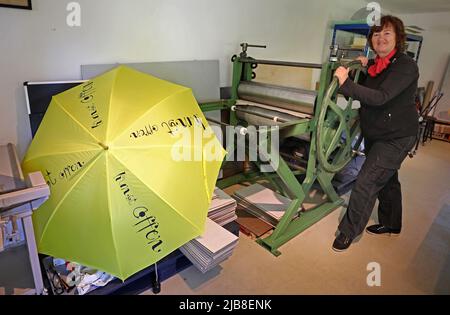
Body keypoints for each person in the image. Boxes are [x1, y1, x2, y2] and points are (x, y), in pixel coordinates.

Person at [332, 15, 419, 251]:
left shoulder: (405, 66)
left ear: (398, 38)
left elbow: (380, 96)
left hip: (397, 136)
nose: (381, 38)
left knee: (366, 181)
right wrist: (366, 66)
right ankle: (391, 224)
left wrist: (345, 84)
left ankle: (348, 231)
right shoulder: (378, 64)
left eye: (387, 33)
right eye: (377, 34)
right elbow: (373, 79)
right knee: (387, 178)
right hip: (377, 132)